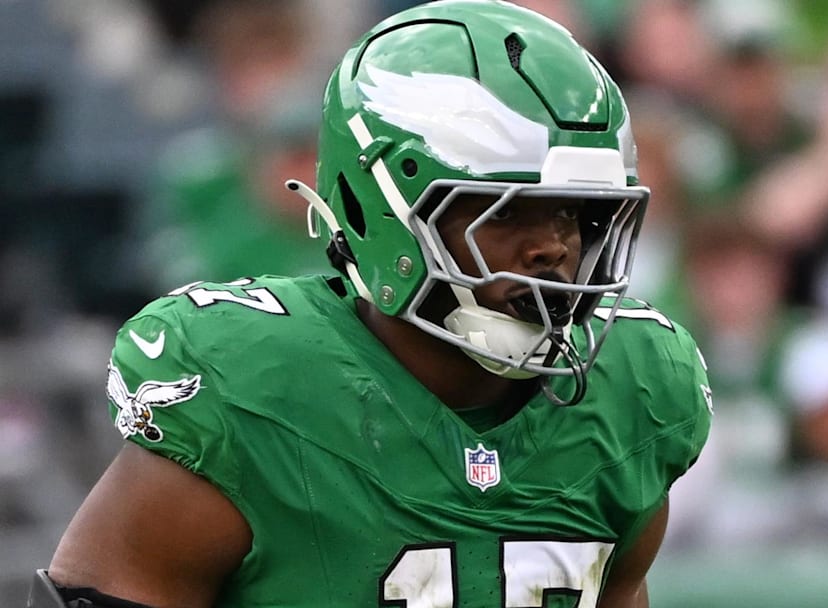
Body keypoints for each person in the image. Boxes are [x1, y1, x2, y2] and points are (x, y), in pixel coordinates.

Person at [29, 2, 712, 607]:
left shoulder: (634, 388)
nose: (554, 249)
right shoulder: (255, 388)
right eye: (509, 214)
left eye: (578, 216)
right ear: (381, 206)